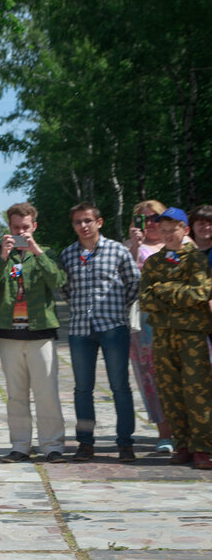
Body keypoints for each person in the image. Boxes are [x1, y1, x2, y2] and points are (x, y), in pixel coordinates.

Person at [0, 203, 67, 463]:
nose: (21, 231)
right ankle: (20, 446)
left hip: (40, 332)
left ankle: (52, 445)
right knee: (16, 395)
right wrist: (2, 257)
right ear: (9, 227)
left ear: (34, 226)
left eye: (25, 227)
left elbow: (57, 281)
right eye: (15, 227)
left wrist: (37, 251)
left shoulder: (47, 253)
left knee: (47, 394)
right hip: (9, 333)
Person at [60, 202, 139, 462]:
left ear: (99, 222)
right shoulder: (68, 254)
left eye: (87, 221)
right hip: (80, 329)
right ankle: (85, 444)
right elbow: (66, 290)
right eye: (77, 222)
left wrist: (116, 311)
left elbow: (134, 285)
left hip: (113, 327)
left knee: (120, 387)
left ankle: (125, 444)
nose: (83, 226)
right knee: (83, 389)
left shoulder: (117, 251)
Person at [138, 207, 212, 470]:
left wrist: (164, 289)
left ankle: (203, 447)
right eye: (164, 231)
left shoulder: (196, 260)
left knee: (197, 392)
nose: (168, 235)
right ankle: (181, 444)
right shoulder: (155, 262)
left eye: (173, 230)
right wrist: (176, 295)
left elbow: (201, 292)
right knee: (170, 392)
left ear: (185, 230)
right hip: (163, 335)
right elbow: (145, 299)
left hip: (191, 335)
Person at [126, 200, 174, 453]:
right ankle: (164, 432)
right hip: (144, 322)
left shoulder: (179, 244)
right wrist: (135, 245)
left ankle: (190, 430)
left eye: (156, 217)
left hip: (178, 319)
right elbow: (124, 281)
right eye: (144, 219)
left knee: (184, 373)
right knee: (150, 377)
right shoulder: (129, 247)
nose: (152, 223)